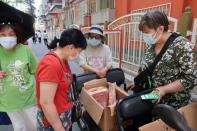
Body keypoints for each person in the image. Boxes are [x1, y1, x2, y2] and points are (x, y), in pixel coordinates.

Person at [131, 11, 197, 130]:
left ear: (160, 29)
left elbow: (191, 78)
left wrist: (164, 89)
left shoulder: (182, 46)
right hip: (153, 100)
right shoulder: (152, 45)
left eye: (147, 33)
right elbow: (145, 67)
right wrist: (139, 81)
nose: (145, 36)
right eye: (143, 33)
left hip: (174, 106)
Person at [36, 28, 87, 131]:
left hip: (63, 116)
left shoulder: (63, 60)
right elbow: (46, 102)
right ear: (71, 47)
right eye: (79, 51)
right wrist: (59, 128)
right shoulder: (51, 64)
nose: (79, 55)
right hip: (53, 122)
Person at [0, 7, 38, 131]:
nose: (7, 37)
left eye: (11, 34)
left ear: (17, 35)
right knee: (19, 127)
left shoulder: (25, 50)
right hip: (8, 100)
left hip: (28, 99)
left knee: (34, 125)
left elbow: (37, 71)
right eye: (3, 35)